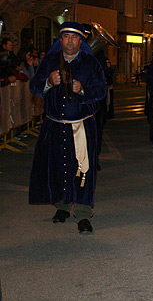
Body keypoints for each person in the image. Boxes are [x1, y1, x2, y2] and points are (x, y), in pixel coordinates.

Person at [28, 22, 106, 234]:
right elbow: (34, 86)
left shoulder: (91, 63)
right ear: (60, 40)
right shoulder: (49, 61)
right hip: (54, 126)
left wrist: (82, 90)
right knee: (57, 166)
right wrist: (48, 82)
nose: (70, 40)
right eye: (66, 36)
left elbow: (101, 90)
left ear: (80, 41)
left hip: (82, 126)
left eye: (74, 37)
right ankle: (62, 206)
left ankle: (82, 213)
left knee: (83, 170)